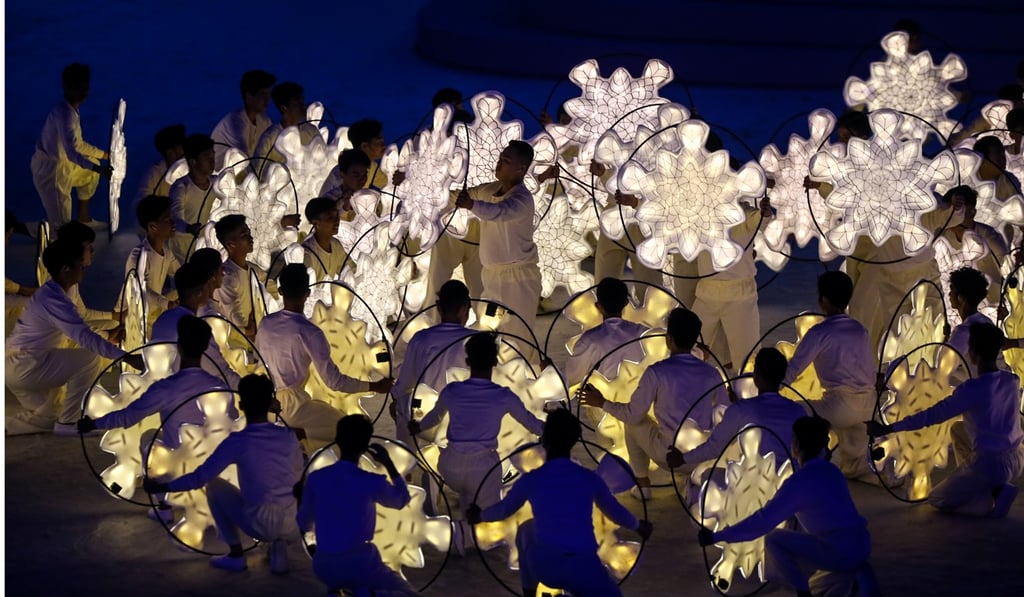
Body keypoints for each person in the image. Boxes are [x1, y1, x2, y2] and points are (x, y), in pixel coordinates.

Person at [467, 409, 653, 597]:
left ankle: (529, 592)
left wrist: (478, 516)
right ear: (573, 441)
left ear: (544, 441)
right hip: (586, 569)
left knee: (526, 531)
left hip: (546, 567)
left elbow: (504, 510)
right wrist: (638, 526)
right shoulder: (588, 478)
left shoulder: (533, 479)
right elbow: (614, 510)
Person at [698, 416, 877, 597]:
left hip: (839, 552)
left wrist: (717, 536)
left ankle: (803, 591)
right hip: (862, 544)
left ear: (797, 446)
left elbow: (763, 521)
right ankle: (850, 578)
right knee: (797, 529)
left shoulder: (800, 483)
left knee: (774, 539)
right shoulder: (832, 471)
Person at [143, 374, 303, 574]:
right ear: (270, 403)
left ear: (242, 406)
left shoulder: (238, 441)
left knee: (215, 487)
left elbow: (201, 476)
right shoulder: (288, 436)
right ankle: (279, 544)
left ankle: (236, 555)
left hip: (260, 523)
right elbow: (299, 478)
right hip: (294, 523)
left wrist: (162, 487)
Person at [869, 323, 1024, 518]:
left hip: (991, 464)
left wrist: (889, 428)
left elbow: (932, 415)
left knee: (937, 499)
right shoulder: (1012, 380)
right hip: (1017, 457)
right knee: (958, 429)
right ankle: (981, 483)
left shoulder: (972, 389)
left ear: (974, 353)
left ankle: (992, 494)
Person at [409, 332, 545, 549]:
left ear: (467, 361)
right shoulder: (503, 395)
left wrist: (416, 426)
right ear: (494, 361)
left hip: (450, 466)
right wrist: (554, 431)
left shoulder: (453, 390)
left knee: (464, 491)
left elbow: (432, 418)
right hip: (483, 471)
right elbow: (533, 424)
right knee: (486, 513)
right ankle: (460, 533)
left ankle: (456, 511)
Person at [580, 308, 727, 498]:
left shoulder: (657, 372)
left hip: (669, 455)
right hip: (704, 455)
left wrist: (602, 402)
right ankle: (691, 478)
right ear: (694, 341)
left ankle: (643, 486)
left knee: (633, 423)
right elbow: (725, 414)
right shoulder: (712, 373)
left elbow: (633, 414)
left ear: (669, 339)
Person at [6, 239, 144, 435]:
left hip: (17, 365)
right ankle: (69, 424)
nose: (84, 270)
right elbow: (84, 335)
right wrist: (127, 356)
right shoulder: (54, 299)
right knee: (89, 358)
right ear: (66, 269)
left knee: (49, 416)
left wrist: (107, 338)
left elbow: (79, 326)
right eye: (81, 265)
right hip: (24, 366)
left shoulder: (56, 291)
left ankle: (12, 426)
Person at [255, 264, 392, 444]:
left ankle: (302, 440)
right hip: (294, 408)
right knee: (346, 428)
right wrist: (374, 387)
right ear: (308, 293)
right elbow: (334, 381)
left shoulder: (265, 323)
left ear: (280, 291)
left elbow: (259, 362)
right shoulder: (310, 332)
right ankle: (299, 434)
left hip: (265, 404)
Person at [296, 414, 418, 596]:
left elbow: (304, 523)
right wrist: (388, 464)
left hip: (324, 565)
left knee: (351, 580)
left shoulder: (316, 479)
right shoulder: (370, 481)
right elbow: (401, 500)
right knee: (407, 593)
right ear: (365, 446)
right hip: (360, 564)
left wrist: (302, 499)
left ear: (337, 440)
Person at [454, 141, 542, 360]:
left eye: (506, 161)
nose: (499, 163)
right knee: (489, 325)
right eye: (501, 157)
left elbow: (500, 212)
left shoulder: (521, 199)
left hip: (518, 280)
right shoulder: (489, 190)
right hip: (492, 278)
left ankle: (525, 381)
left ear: (521, 169)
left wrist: (471, 206)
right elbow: (465, 195)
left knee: (519, 336)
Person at [783, 271, 875, 480]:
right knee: (854, 464)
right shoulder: (860, 330)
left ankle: (799, 470)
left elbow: (792, 370)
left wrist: (768, 392)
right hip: (868, 407)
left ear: (823, 300)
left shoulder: (819, 332)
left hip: (840, 407)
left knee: (795, 410)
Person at [667, 347, 807, 472]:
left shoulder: (741, 410)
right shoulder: (798, 411)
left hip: (755, 483)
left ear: (756, 376)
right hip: (792, 481)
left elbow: (714, 447)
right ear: (782, 377)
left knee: (706, 478)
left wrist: (682, 458)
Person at [690, 196, 773, 373]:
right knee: (689, 347)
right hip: (707, 292)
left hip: (740, 295)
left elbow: (758, 219)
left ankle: (748, 395)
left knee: (747, 356)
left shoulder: (744, 213)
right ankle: (686, 389)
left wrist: (764, 213)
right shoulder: (701, 211)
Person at [391, 280, 474, 446]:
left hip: (425, 420)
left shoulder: (421, 339)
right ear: (465, 309)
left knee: (400, 402)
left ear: (438, 307)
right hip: (466, 422)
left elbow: (404, 386)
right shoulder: (478, 341)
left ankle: (407, 461)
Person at [30, 63, 112, 226]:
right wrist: (99, 169)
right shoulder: (65, 115)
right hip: (51, 173)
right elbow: (72, 152)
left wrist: (104, 155)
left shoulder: (70, 110)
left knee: (90, 174)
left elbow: (78, 144)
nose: (83, 90)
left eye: (84, 85)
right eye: (78, 86)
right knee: (61, 229)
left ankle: (84, 219)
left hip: (65, 165)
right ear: (67, 87)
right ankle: (12, 227)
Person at [151, 262, 240, 389]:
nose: (210, 292)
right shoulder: (196, 329)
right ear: (199, 293)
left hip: (163, 392)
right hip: (190, 396)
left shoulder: (162, 320)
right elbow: (222, 372)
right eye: (207, 287)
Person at [564, 277, 648, 389]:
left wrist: (548, 369)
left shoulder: (589, 339)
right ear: (626, 303)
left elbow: (570, 378)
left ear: (598, 306)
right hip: (641, 400)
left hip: (602, 403)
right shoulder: (643, 333)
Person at [212, 215, 275, 339]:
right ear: (231, 244)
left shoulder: (253, 269)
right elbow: (235, 317)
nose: (250, 238)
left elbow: (271, 286)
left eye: (249, 233)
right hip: (235, 342)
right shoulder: (226, 277)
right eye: (244, 235)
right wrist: (249, 331)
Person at [120, 195, 180, 324]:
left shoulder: (167, 253)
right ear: (153, 226)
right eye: (167, 219)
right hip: (134, 316)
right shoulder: (139, 255)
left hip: (154, 310)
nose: (173, 223)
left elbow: (181, 274)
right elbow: (141, 289)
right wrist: (167, 304)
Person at [211, 70, 276, 169]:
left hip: (245, 175)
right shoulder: (234, 122)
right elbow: (245, 160)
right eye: (263, 94)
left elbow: (273, 149)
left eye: (269, 95)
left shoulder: (264, 121)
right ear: (248, 96)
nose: (267, 100)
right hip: (221, 177)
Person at [168, 134, 217, 262]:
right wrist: (189, 228)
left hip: (206, 248)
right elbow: (175, 218)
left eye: (213, 156)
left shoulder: (217, 184)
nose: (212, 161)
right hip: (182, 253)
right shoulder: (181, 187)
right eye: (207, 157)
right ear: (193, 162)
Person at [253, 82, 320, 168]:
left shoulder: (311, 131)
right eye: (297, 103)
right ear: (284, 108)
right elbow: (258, 169)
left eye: (302, 101)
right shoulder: (270, 137)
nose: (303, 106)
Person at [134, 124, 186, 208]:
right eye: (182, 153)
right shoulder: (154, 175)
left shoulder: (189, 168)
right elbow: (141, 203)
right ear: (170, 153)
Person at [300, 197, 347, 281]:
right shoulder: (307, 254)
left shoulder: (336, 245)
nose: (337, 220)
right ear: (315, 223)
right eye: (330, 217)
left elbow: (348, 268)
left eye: (337, 215)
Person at [319, 148, 372, 215]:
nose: (362, 179)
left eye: (365, 174)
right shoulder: (330, 199)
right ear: (342, 174)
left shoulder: (367, 197)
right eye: (356, 175)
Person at [346, 119, 389, 190]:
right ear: (364, 146)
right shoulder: (346, 171)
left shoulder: (372, 166)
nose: (384, 146)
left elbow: (386, 183)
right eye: (379, 142)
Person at [188, 247, 226, 316]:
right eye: (221, 269)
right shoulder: (211, 313)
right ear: (213, 275)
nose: (223, 274)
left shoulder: (195, 305)